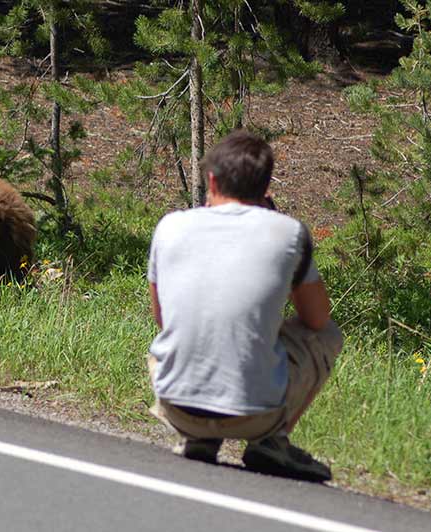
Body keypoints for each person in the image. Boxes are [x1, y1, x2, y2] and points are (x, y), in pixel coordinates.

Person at [146, 129, 343, 482]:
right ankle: (271, 442)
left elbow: (163, 320)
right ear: (266, 188)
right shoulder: (289, 233)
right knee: (327, 336)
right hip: (256, 414)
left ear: (211, 180)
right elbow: (317, 319)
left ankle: (199, 436)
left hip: (175, 403)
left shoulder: (169, 226)